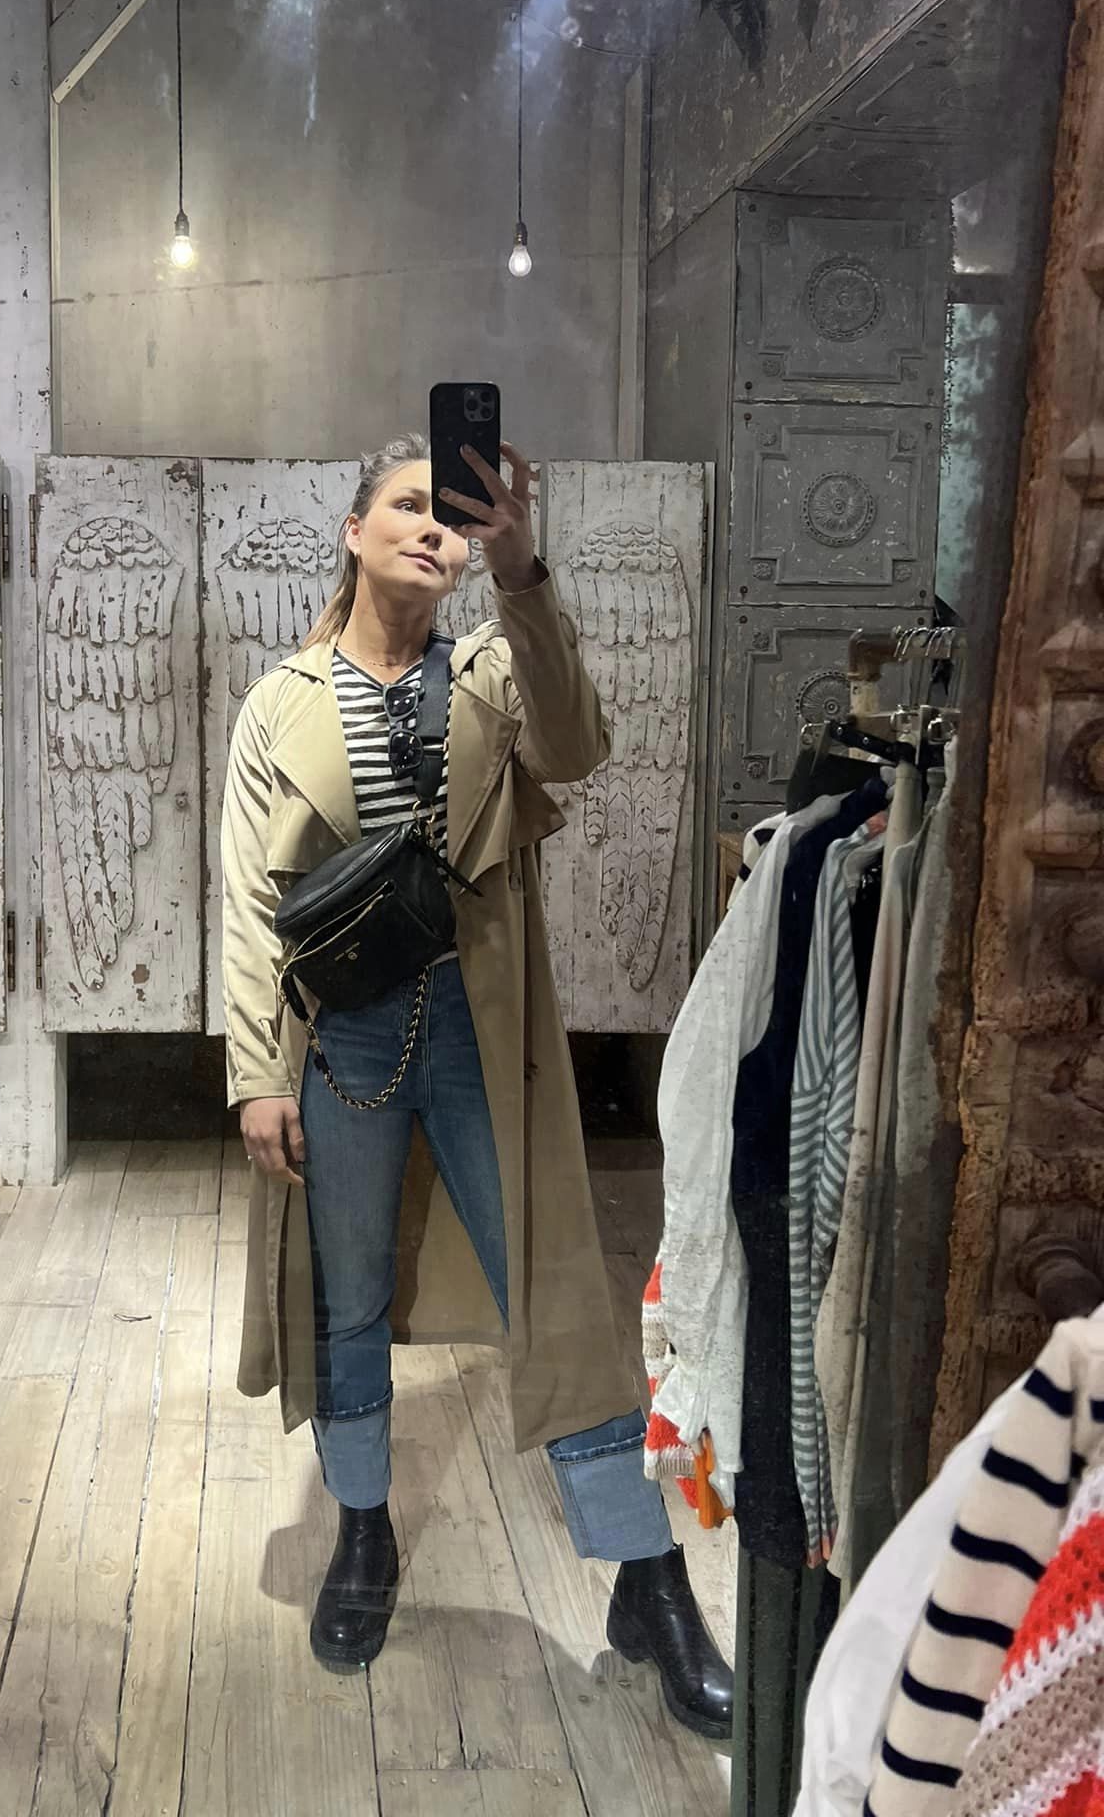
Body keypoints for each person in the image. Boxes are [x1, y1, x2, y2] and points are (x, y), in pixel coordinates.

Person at [219, 433, 733, 1740]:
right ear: (352, 531)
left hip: (479, 1030)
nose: (430, 531)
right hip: (340, 1039)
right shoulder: (281, 700)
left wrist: (521, 564)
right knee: (345, 1298)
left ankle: (652, 1582)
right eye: (406, 507)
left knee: (554, 1294)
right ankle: (364, 1533)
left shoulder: (493, 666)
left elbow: (578, 744)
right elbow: (251, 901)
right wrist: (256, 1074)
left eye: (447, 516)